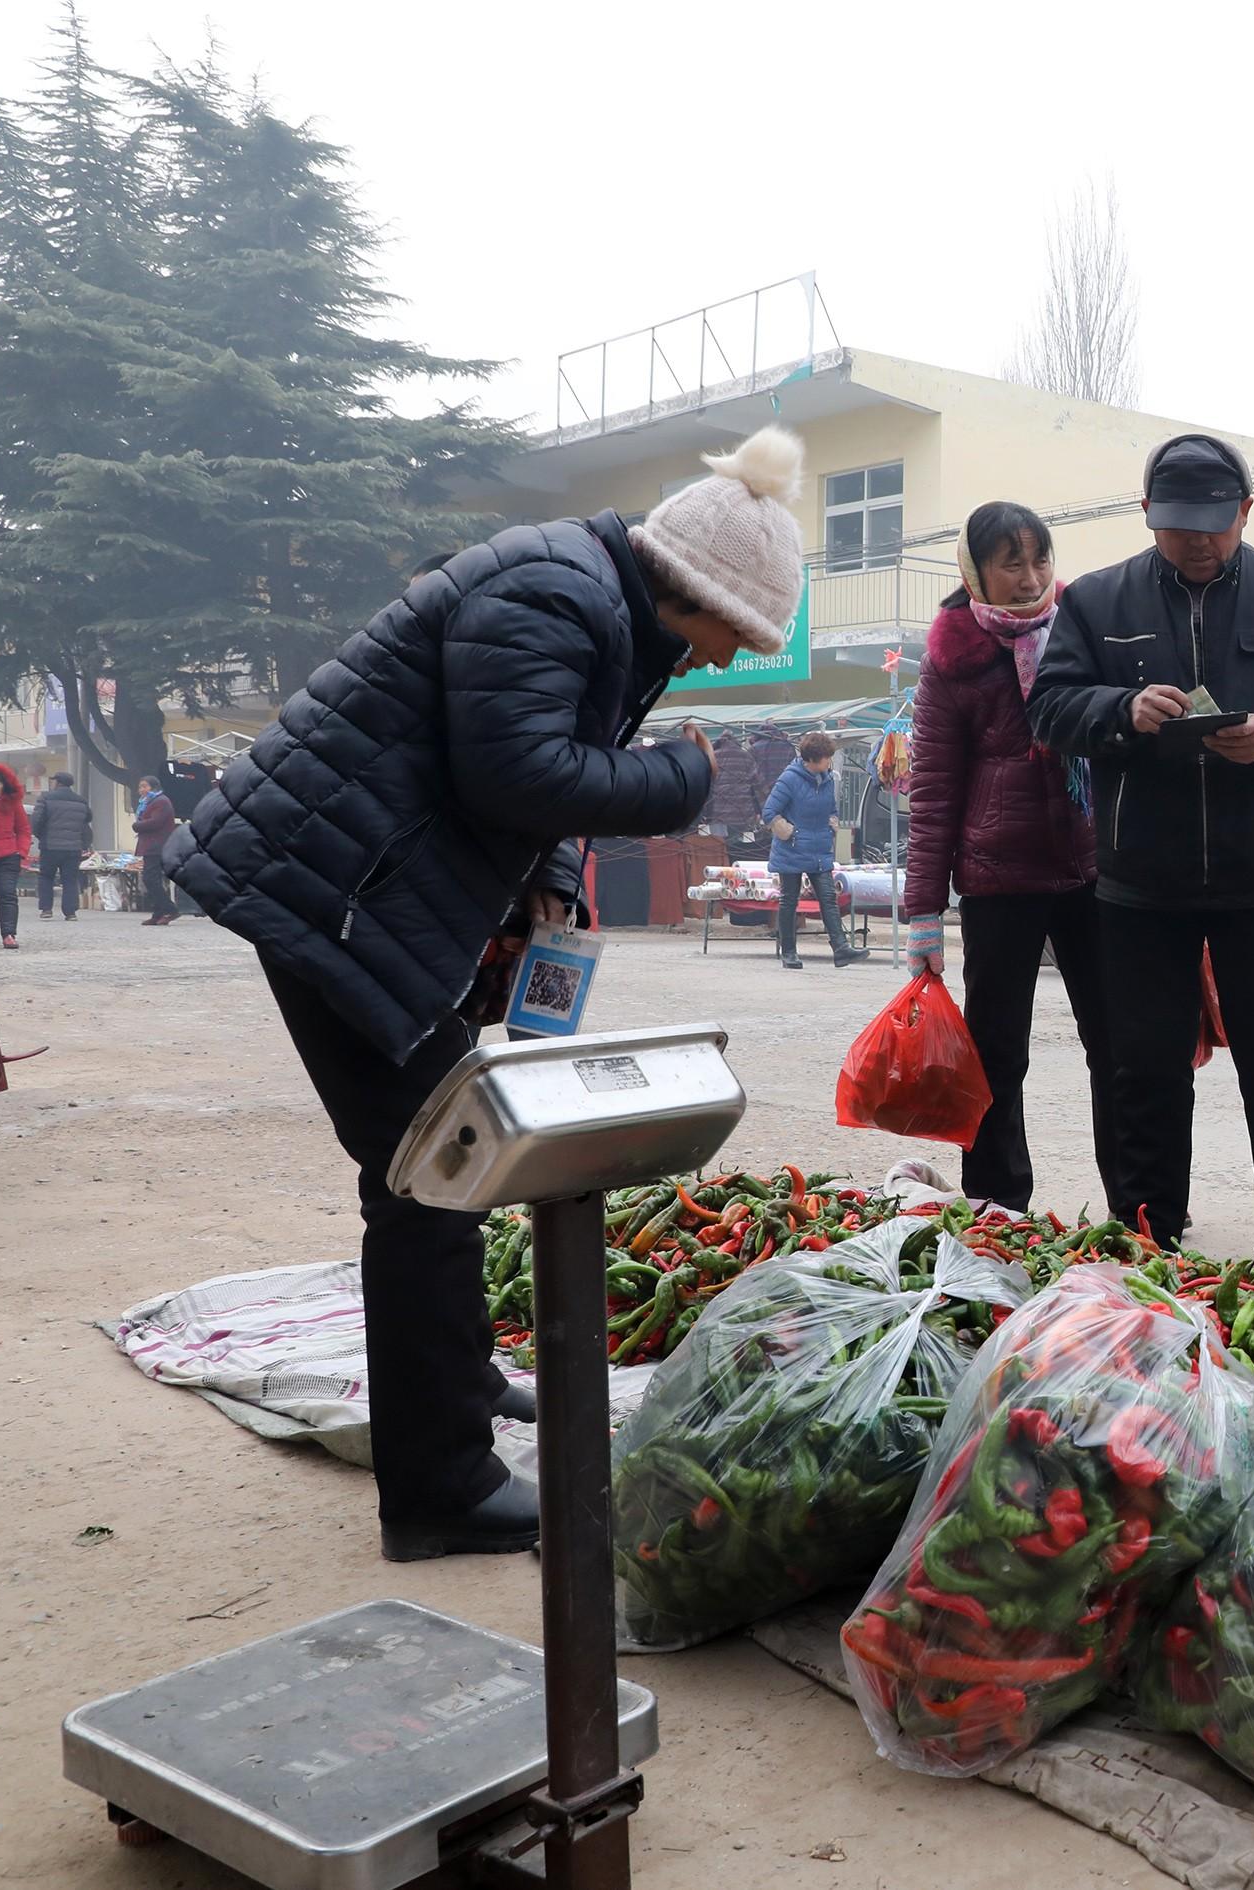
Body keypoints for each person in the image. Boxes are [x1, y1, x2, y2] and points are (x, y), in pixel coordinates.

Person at [169, 424, 804, 1559]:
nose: (724, 658)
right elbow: (515, 770)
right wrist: (685, 780)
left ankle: (460, 1388)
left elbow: (537, 782)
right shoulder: (560, 594)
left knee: (447, 1160)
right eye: (734, 633)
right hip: (335, 896)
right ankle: (441, 1488)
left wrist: (548, 892)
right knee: (432, 1180)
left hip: (373, 889)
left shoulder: (595, 601)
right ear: (694, 588)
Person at [1028, 433, 1254, 1266]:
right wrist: (1120, 709)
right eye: (1178, 525)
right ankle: (1149, 1239)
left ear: (1245, 512)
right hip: (1140, 886)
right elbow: (1048, 708)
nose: (1197, 541)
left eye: (1215, 524)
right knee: (1142, 1073)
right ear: (1147, 516)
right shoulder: (1097, 604)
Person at [903, 500, 1121, 1210]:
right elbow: (932, 790)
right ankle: (997, 1202)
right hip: (998, 878)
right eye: (1010, 561)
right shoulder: (952, 657)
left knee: (1118, 1045)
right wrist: (923, 917)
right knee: (998, 1050)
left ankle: (1138, 1197)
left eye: (1040, 558)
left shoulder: (1083, 634)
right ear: (975, 572)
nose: (1030, 578)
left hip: (1092, 871)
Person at [762, 731, 868, 968]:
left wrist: (832, 825)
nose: (830, 761)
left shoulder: (827, 778)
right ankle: (789, 952)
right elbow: (769, 812)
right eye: (826, 757)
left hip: (819, 848)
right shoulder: (789, 779)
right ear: (812, 759)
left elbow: (832, 809)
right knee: (789, 899)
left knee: (829, 898)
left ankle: (841, 949)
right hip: (792, 848)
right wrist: (788, 832)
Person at [31, 772, 92, 919]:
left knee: (46, 877)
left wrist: (41, 836)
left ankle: (46, 909)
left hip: (50, 846)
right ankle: (70, 912)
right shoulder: (81, 801)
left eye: (53, 781)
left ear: (57, 783)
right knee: (70, 879)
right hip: (73, 847)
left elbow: (37, 820)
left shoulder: (45, 799)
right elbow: (87, 820)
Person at [0, 764, 27, 948]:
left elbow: (23, 829)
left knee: (7, 896)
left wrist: (21, 852)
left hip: (7, 855)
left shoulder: (13, 804)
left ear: (4, 785)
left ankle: (9, 934)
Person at [133, 776, 180, 925]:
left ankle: (170, 909)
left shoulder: (161, 801)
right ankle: (158, 913)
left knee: (150, 878)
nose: (141, 790)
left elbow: (156, 822)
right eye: (140, 787)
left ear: (153, 787)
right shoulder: (148, 802)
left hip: (157, 845)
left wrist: (137, 826)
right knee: (153, 879)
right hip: (151, 845)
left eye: (144, 786)